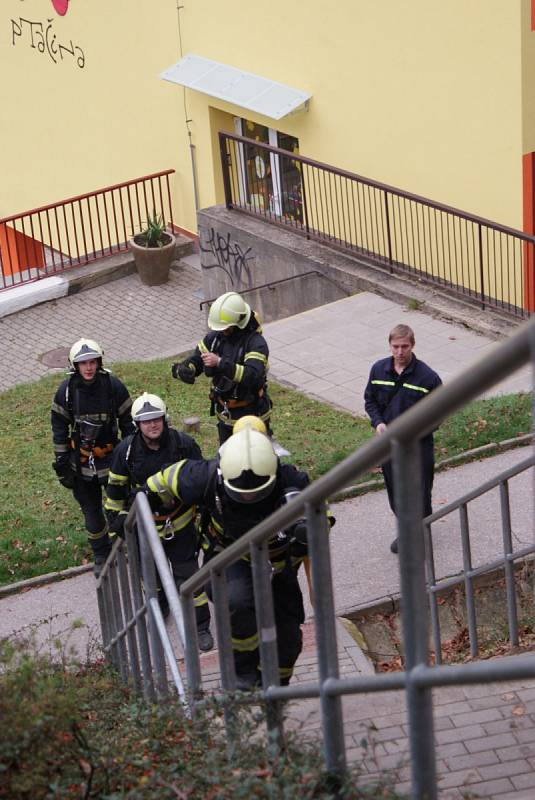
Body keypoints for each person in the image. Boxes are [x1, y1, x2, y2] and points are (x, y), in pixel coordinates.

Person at [144, 425, 322, 690]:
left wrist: (309, 529)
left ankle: (276, 684)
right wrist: (151, 504)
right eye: (241, 494)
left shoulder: (291, 480)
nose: (248, 498)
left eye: (257, 493)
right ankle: (244, 675)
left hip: (278, 563)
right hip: (228, 556)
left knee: (289, 636)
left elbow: (321, 512)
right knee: (239, 603)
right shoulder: (203, 477)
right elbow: (161, 482)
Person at [104, 392, 213, 652]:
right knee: (150, 578)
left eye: (156, 419)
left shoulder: (183, 445)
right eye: (146, 421)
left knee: (190, 578)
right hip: (145, 530)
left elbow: (202, 483)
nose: (152, 425)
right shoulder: (125, 452)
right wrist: (118, 526)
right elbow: (115, 494)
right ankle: (160, 607)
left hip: (181, 525)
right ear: (137, 425)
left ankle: (201, 627)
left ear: (165, 419)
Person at [51, 338, 135, 578]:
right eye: (83, 363)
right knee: (92, 513)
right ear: (74, 366)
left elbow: (128, 422)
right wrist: (62, 460)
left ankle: (129, 544)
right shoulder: (66, 392)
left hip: (112, 460)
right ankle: (101, 554)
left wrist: (131, 453)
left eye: (92, 362)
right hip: (81, 465)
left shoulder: (113, 387)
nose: (88, 367)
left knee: (121, 504)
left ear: (99, 362)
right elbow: (59, 426)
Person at [364, 324, 442, 554]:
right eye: (396, 346)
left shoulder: (428, 377)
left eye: (404, 347)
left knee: (420, 490)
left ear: (413, 345)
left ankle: (418, 534)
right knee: (396, 490)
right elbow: (370, 400)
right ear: (390, 346)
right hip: (390, 446)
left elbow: (438, 413)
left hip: (418, 445)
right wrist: (378, 422)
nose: (400, 351)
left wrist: (415, 433)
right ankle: (406, 529)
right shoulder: (378, 371)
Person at [171, 291, 272, 444]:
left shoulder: (256, 343)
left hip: (251, 414)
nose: (222, 331)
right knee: (227, 458)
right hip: (225, 414)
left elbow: (252, 375)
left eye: (226, 327)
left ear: (239, 321)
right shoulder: (215, 339)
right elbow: (197, 359)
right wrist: (187, 368)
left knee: (257, 458)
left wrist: (219, 363)